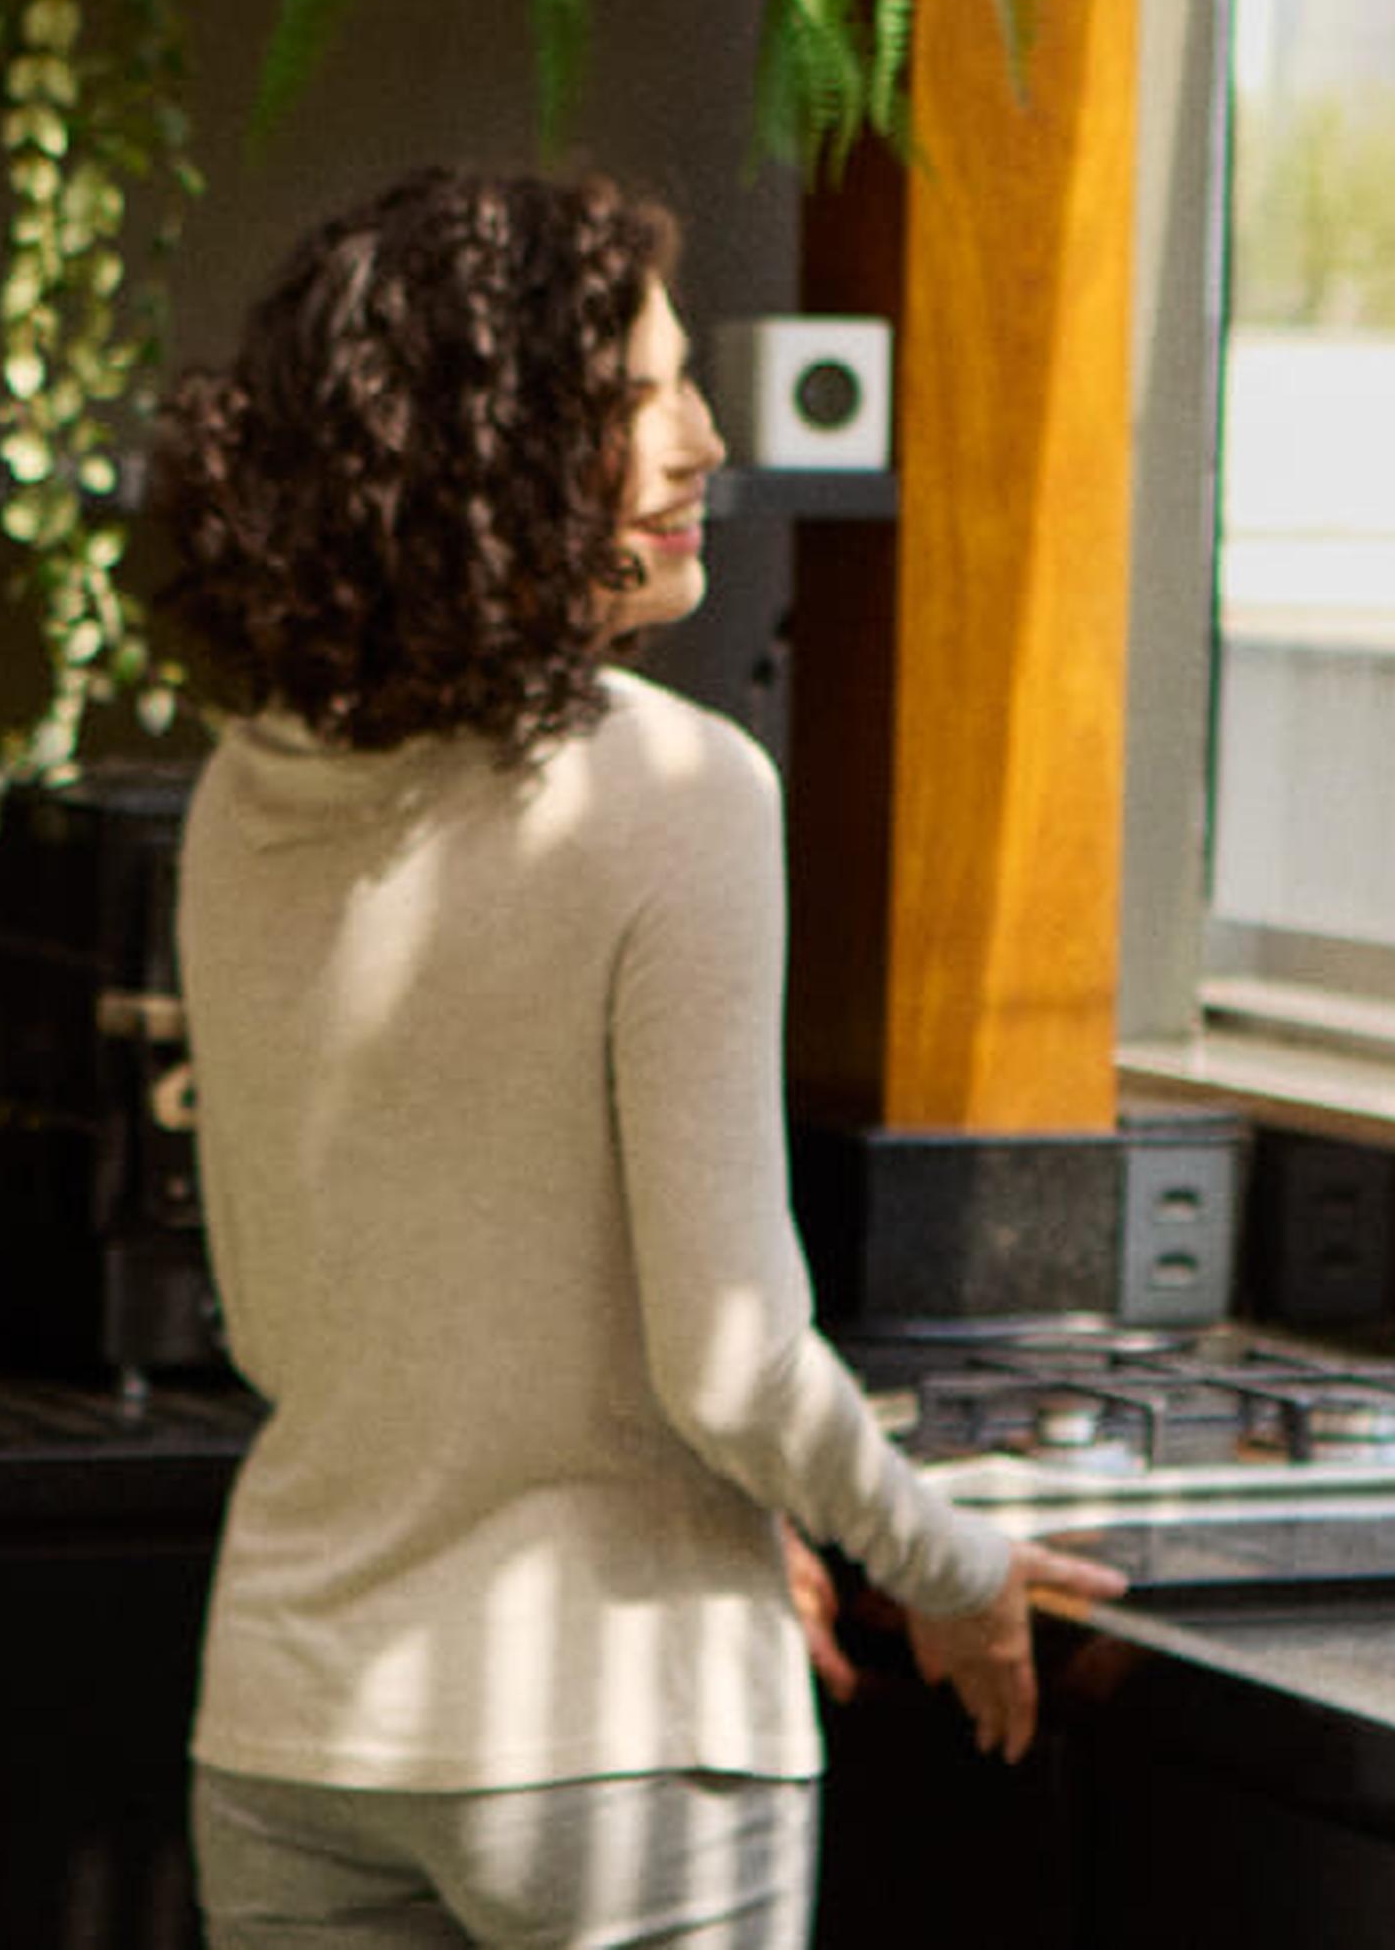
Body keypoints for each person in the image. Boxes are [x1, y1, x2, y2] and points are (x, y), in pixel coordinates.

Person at [153, 166, 1118, 1950]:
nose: (698, 445)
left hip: (293, 1723)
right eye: (629, 402)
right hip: (609, 1743)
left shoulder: (245, 787)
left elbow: (278, 1323)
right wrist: (951, 1571)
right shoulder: (674, 790)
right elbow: (734, 1365)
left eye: (682, 385)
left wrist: (742, 1508)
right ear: (478, 460)